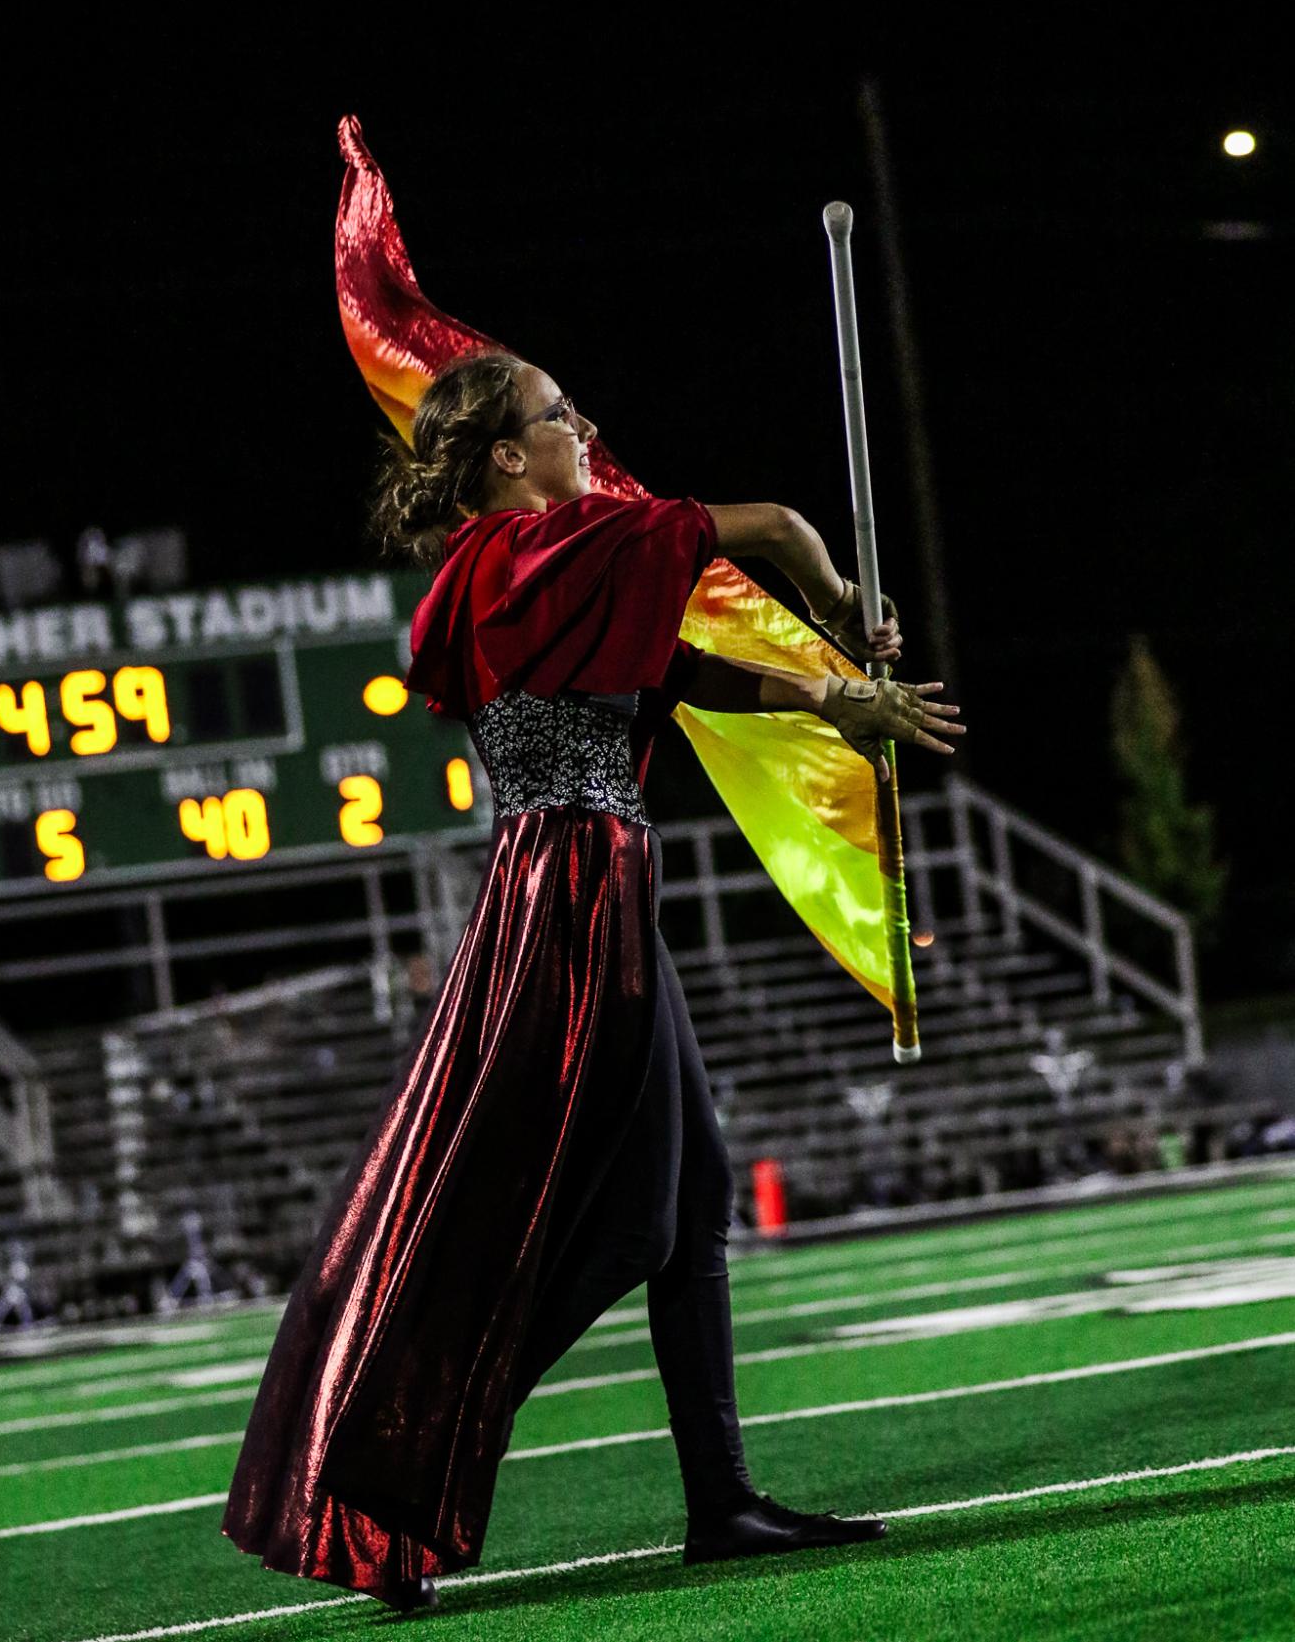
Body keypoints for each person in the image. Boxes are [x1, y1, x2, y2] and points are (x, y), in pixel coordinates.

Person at [222, 351, 963, 1616]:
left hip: (562, 877)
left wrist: (836, 693)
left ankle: (718, 1498)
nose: (587, 427)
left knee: (700, 1192)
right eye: (560, 416)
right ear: (510, 456)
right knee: (638, 1223)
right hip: (576, 884)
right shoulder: (565, 545)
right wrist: (843, 598)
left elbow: (668, 676)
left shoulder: (497, 571)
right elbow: (780, 525)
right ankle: (409, 1446)